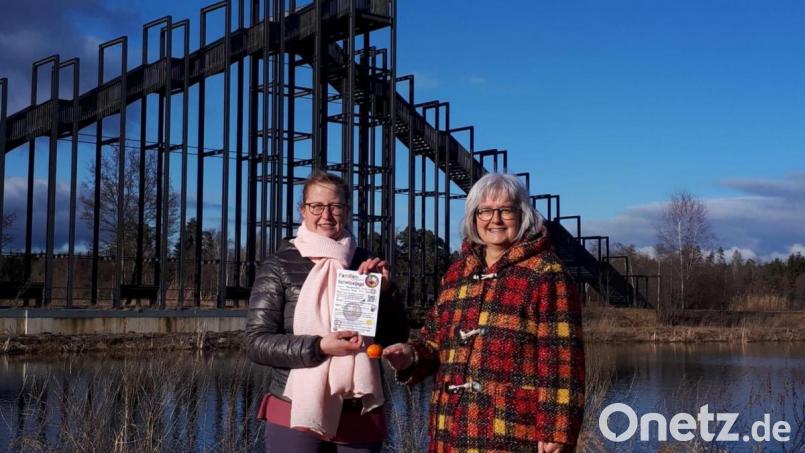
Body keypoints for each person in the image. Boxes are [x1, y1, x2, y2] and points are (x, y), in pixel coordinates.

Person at [384, 173, 585, 452]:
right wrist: (410, 356)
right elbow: (434, 341)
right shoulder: (456, 274)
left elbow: (563, 360)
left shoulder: (546, 273)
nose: (496, 219)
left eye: (506, 210)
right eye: (486, 211)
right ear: (474, 216)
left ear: (523, 214)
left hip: (512, 430)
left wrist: (557, 430)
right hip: (450, 428)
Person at [246, 171, 409, 453]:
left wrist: (386, 294)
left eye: (335, 206)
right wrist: (320, 346)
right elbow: (257, 343)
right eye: (317, 206)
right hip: (295, 407)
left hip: (359, 407)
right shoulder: (279, 265)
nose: (326, 215)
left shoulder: (364, 263)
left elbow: (394, 336)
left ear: (347, 211)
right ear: (303, 210)